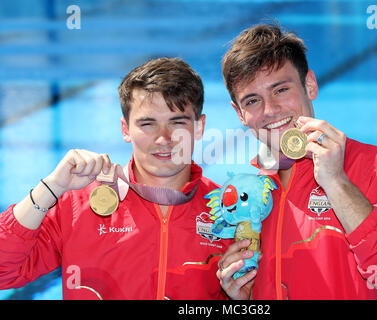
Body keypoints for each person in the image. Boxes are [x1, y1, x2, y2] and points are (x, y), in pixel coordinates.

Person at [217, 23, 377, 300]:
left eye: (281, 90)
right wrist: (242, 298)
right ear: (239, 114)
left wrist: (337, 183)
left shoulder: (375, 166)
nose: (270, 110)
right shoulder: (244, 193)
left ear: (309, 85)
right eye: (252, 101)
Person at [0, 57, 232, 300]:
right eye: (148, 124)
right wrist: (51, 188)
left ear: (199, 127)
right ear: (125, 129)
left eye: (177, 122)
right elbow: (4, 272)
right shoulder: (79, 206)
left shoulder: (229, 212)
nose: (164, 138)